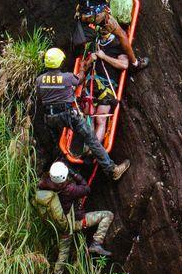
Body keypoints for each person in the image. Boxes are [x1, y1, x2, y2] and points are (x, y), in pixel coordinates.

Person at [33, 47, 130, 178]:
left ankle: (66, 170)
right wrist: (83, 68)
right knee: (92, 139)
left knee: (58, 146)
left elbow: (41, 97)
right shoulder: (66, 78)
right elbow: (80, 80)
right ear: (60, 62)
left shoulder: (39, 80)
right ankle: (111, 169)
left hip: (49, 118)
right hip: (67, 115)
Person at [34, 160, 118, 258]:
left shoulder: (44, 183)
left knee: (62, 257)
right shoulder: (69, 190)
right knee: (107, 215)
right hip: (74, 223)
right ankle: (96, 244)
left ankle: (57, 272)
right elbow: (86, 189)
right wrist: (75, 174)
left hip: (58, 223)